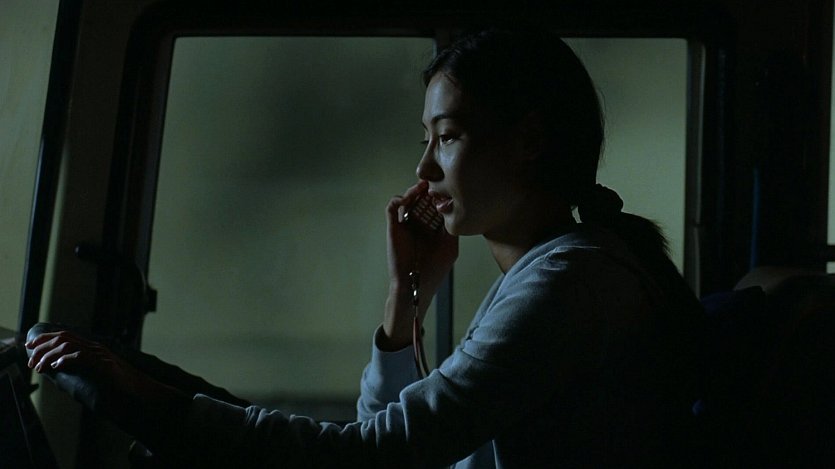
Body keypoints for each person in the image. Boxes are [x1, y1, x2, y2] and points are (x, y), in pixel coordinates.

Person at [26, 29, 705, 467]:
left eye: (447, 137)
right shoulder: (553, 271)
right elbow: (388, 442)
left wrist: (147, 400)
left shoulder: (567, 282)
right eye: (424, 140)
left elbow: (376, 456)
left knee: (171, 417)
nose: (424, 170)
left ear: (527, 141)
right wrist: (405, 297)